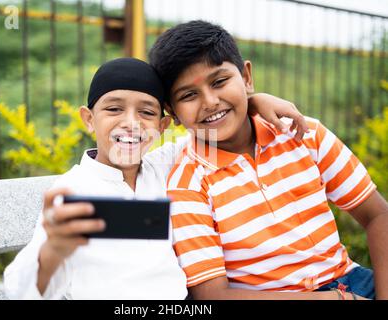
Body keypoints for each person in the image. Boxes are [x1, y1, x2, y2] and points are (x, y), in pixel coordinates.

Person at [3, 57, 309, 300]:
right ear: (88, 119)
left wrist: (254, 101)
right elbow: (22, 292)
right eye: (113, 109)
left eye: (146, 113)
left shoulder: (164, 167)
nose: (131, 123)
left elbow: (211, 129)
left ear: (162, 126)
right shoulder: (73, 191)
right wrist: (53, 250)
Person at [149, 20, 388, 300]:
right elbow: (213, 295)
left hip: (353, 283)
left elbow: (377, 215)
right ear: (172, 112)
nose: (210, 101)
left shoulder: (303, 133)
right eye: (189, 95)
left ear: (246, 77)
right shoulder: (188, 185)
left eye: (220, 81)